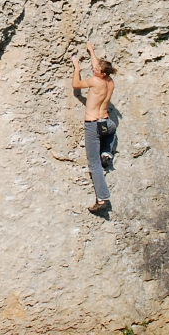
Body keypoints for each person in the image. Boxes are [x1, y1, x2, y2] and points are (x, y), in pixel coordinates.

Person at [72, 41, 117, 213]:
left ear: (102, 74)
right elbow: (97, 65)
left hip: (93, 126)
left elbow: (76, 85)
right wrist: (91, 51)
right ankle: (107, 151)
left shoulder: (94, 81)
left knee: (94, 165)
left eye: (97, 70)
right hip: (106, 123)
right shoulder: (109, 81)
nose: (94, 69)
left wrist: (77, 67)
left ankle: (103, 198)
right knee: (112, 130)